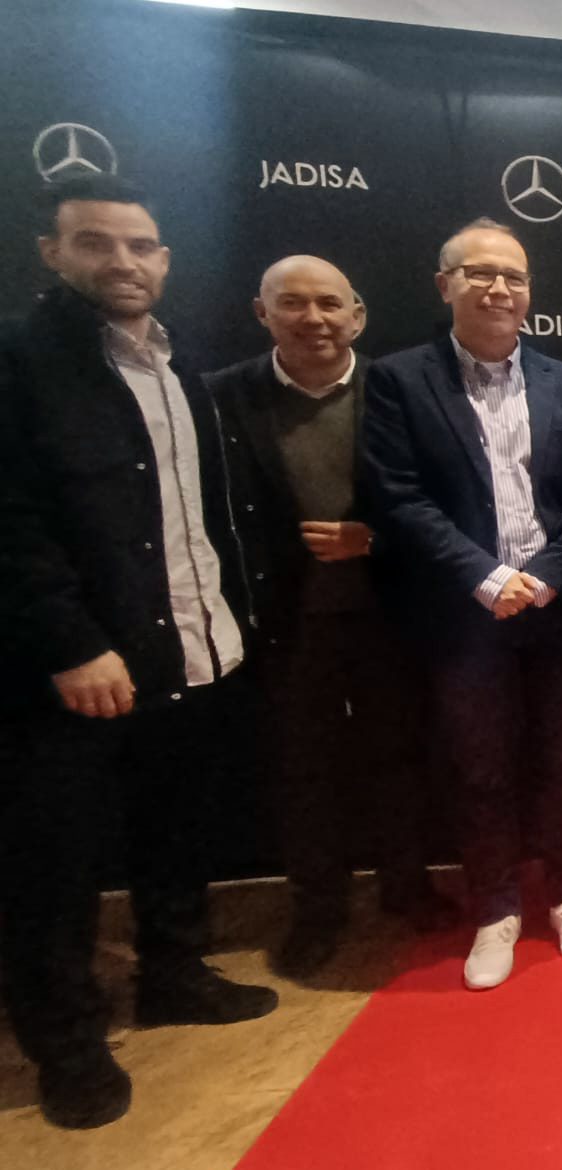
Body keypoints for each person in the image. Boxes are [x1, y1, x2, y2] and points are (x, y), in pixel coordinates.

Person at [0, 175, 277, 1130]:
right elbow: (12, 523)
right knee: (55, 868)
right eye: (95, 243)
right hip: (76, 673)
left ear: (164, 258)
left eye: (140, 245)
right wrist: (71, 643)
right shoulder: (21, 362)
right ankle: (67, 1045)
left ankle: (172, 973)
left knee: (177, 827)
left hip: (190, 648)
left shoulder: (176, 364)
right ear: (52, 253)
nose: (121, 262)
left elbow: (193, 518)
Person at [359, 217, 562, 990]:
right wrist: (484, 576)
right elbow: (399, 498)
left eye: (513, 276)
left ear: (530, 292)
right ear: (445, 284)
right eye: (480, 273)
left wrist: (543, 577)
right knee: (481, 769)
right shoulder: (400, 380)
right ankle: (497, 908)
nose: (499, 288)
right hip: (462, 612)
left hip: (557, 608)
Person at [206, 255, 460, 978]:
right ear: (262, 313)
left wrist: (377, 539)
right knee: (302, 770)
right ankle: (318, 911)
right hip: (286, 618)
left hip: (391, 609)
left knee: (401, 759)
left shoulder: (403, 388)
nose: (312, 318)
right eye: (293, 303)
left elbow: (447, 496)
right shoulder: (222, 399)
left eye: (329, 303)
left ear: (357, 315)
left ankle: (408, 890)